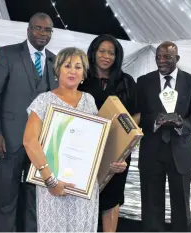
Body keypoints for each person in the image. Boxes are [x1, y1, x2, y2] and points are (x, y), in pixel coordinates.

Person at [22, 47, 127, 232]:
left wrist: (112, 163)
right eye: (67, 65)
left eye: (78, 67)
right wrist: (50, 181)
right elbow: (29, 142)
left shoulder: (89, 100)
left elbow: (95, 146)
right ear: (58, 70)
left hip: (84, 187)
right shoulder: (43, 100)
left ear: (84, 74)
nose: (73, 71)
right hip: (52, 185)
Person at [0, 12, 56, 232]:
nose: (42, 33)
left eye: (47, 30)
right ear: (28, 29)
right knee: (7, 198)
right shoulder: (7, 54)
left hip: (41, 144)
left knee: (36, 201)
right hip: (10, 138)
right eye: (37, 28)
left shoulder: (55, 61)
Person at [135, 41, 191, 232]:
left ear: (177, 58)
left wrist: (182, 123)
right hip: (151, 153)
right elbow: (136, 116)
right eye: (158, 57)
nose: (161, 61)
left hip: (180, 153)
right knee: (151, 206)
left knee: (181, 206)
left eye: (167, 57)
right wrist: (154, 121)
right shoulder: (143, 81)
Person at [78, 34, 137, 232]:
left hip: (116, 149)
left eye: (111, 53)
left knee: (112, 198)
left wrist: (126, 140)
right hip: (85, 150)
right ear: (93, 53)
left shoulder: (126, 81)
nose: (106, 56)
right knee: (84, 195)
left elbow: (135, 115)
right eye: (102, 51)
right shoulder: (81, 79)